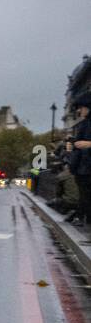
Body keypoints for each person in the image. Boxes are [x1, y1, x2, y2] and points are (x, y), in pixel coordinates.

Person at [66, 94, 91, 225]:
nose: (79, 111)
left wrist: (88, 144)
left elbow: (85, 144)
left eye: (81, 107)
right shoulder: (84, 124)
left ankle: (81, 218)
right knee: (84, 194)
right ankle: (82, 218)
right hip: (83, 167)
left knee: (86, 195)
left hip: (86, 167)